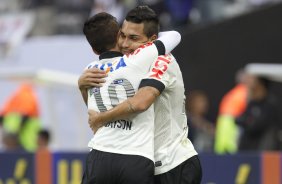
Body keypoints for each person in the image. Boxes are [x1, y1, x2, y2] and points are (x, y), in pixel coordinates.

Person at [85, 6, 202, 184]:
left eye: (133, 38)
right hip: (144, 163)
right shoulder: (127, 64)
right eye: (122, 35)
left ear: (152, 40)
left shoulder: (162, 59)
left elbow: (141, 102)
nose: (124, 44)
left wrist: (101, 119)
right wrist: (82, 86)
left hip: (173, 164)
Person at [236, 75, 280, 151]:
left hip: (262, 152)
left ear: (261, 86)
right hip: (246, 150)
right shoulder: (252, 103)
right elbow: (239, 119)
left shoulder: (270, 105)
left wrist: (247, 121)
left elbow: (256, 125)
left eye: (253, 85)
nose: (249, 89)